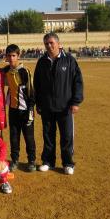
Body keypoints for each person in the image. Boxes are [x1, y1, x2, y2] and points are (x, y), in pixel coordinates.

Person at [34, 33, 84, 175]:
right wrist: (38, 103)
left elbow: (78, 82)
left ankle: (68, 163)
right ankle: (48, 162)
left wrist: (75, 102)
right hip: (47, 107)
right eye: (46, 44)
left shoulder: (69, 61)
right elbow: (37, 84)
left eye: (51, 43)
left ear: (58, 43)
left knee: (67, 136)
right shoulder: (42, 62)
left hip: (65, 107)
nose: (49, 46)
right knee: (48, 136)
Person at [3, 44, 36, 172]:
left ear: (18, 56)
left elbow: (32, 92)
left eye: (14, 56)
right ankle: (15, 160)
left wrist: (31, 110)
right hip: (13, 110)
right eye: (9, 56)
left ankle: (31, 160)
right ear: (6, 57)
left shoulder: (24, 71)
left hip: (26, 110)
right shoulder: (6, 71)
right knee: (14, 137)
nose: (11, 58)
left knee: (29, 137)